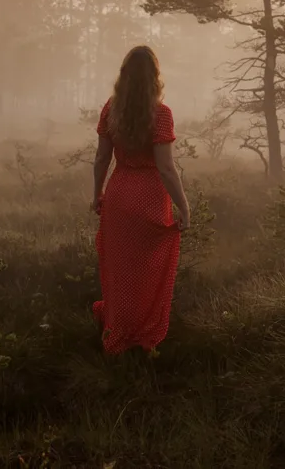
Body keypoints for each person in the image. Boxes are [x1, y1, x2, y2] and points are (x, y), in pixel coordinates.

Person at [90, 45, 191, 355]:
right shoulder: (161, 115)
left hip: (119, 196)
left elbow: (102, 158)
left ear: (124, 76)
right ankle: (144, 338)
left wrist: (97, 193)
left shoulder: (111, 109)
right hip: (149, 199)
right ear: (154, 79)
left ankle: (119, 331)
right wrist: (184, 207)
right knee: (147, 270)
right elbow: (166, 169)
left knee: (121, 271)